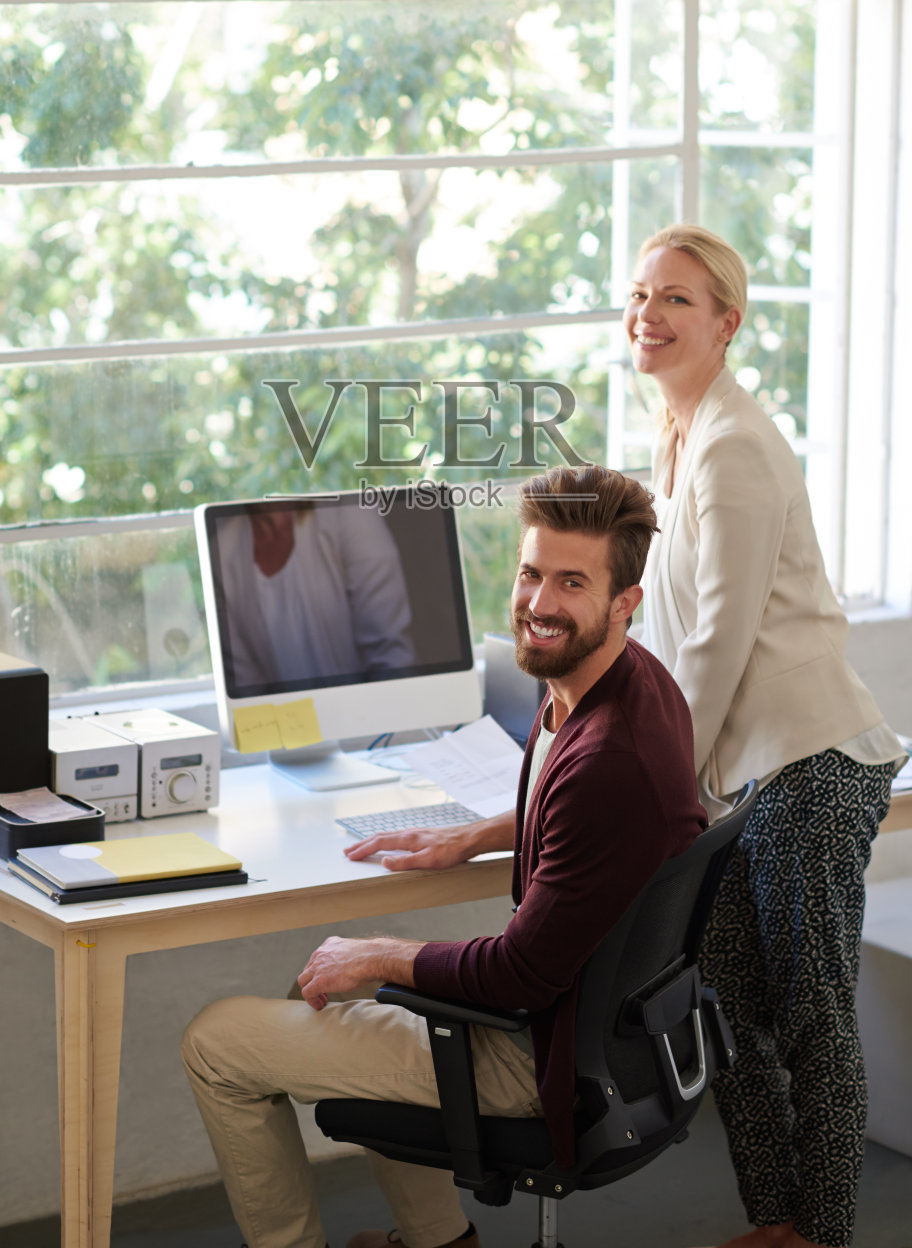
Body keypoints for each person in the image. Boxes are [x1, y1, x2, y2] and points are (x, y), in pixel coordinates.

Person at [181, 464, 706, 1248]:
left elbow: (519, 973)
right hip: (604, 1033)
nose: (538, 604)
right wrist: (479, 833)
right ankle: (437, 1242)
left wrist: (385, 954)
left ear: (624, 602)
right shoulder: (627, 684)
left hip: (541, 1057)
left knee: (217, 1041)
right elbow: (589, 827)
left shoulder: (607, 760)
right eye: (531, 574)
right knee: (316, 980)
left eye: (572, 583)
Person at [624, 223, 906, 1248]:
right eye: (640, 295)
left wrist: (665, 788)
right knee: (729, 1004)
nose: (646, 314)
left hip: (811, 764)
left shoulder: (735, 448)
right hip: (751, 774)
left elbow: (717, 645)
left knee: (812, 1017)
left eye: (676, 299)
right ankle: (775, 1223)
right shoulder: (686, 433)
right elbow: (667, 640)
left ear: (726, 321)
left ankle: (820, 1233)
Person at [214, 500, 414, 689]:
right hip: (288, 724)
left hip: (373, 717)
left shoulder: (349, 511)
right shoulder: (222, 550)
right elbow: (248, 688)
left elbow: (391, 654)